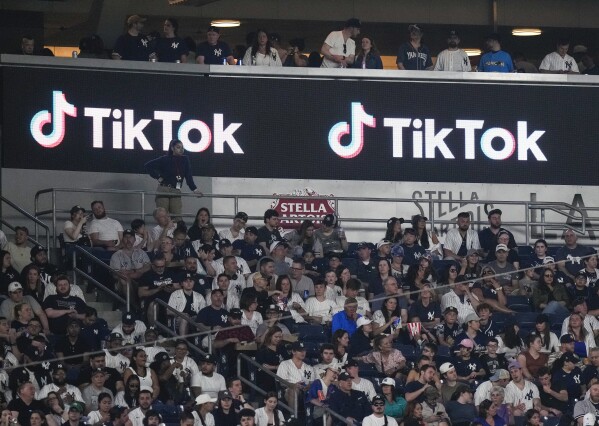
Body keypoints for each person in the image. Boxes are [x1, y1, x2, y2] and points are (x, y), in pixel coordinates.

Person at [144, 139, 202, 218]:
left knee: (177, 216)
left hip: (176, 189)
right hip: (164, 188)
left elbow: (188, 176)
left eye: (182, 147)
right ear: (172, 148)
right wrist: (157, 177)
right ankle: (164, 230)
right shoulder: (165, 159)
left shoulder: (185, 160)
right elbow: (148, 165)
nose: (181, 150)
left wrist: (195, 189)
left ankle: (176, 230)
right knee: (162, 217)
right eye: (178, 147)